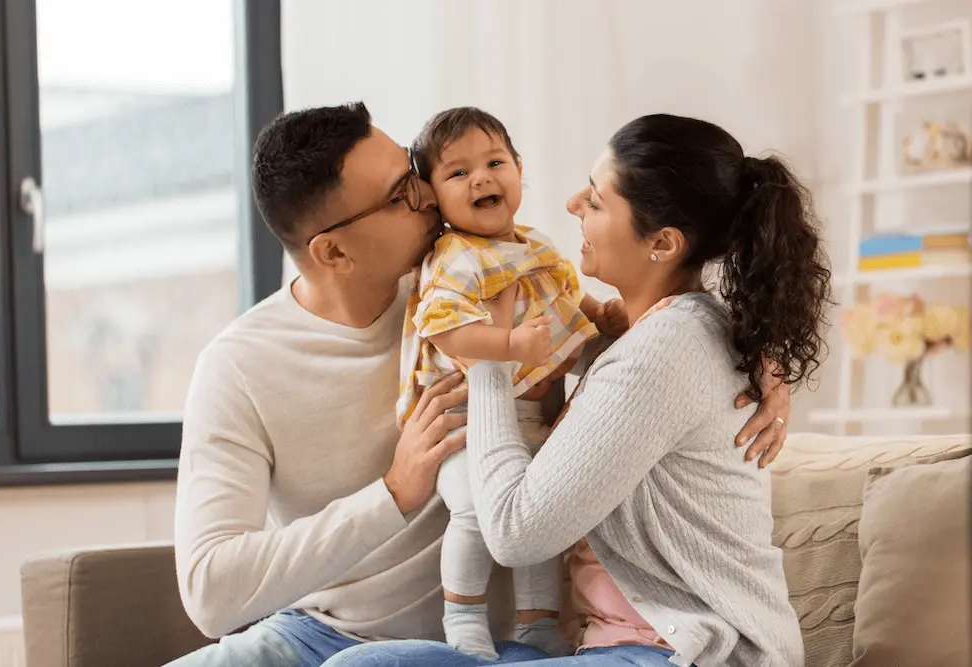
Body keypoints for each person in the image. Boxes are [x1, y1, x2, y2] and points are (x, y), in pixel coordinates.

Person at [166, 103, 793, 667]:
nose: (431, 195)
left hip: (490, 644)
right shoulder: (241, 364)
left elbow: (651, 343)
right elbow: (212, 595)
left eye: (416, 172)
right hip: (313, 632)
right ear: (332, 253)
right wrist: (394, 493)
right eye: (401, 194)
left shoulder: (493, 287)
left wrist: (763, 354)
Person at [322, 113, 831, 667]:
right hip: (620, 649)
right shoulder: (664, 331)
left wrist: (490, 359)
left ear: (661, 242)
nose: (570, 205)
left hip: (691, 652)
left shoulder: (662, 350)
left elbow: (515, 534)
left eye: (594, 199)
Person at [399, 107, 627, 660]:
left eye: (495, 161)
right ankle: (463, 615)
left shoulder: (538, 245)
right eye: (457, 173)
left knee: (539, 518)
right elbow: (450, 334)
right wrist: (507, 347)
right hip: (461, 425)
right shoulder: (454, 257)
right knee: (477, 510)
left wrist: (603, 314)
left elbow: (567, 303)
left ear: (519, 170)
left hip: (531, 422)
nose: (481, 178)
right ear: (432, 198)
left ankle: (538, 622)